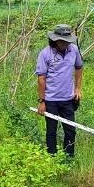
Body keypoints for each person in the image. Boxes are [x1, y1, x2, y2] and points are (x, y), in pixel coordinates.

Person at [35, 23, 83, 158]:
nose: (64, 44)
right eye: (62, 41)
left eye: (67, 41)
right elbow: (41, 79)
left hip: (68, 99)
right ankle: (52, 159)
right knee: (51, 131)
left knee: (70, 130)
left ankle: (68, 158)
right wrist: (42, 101)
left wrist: (78, 89)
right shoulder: (45, 54)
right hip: (51, 100)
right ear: (55, 39)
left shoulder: (73, 50)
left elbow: (79, 67)